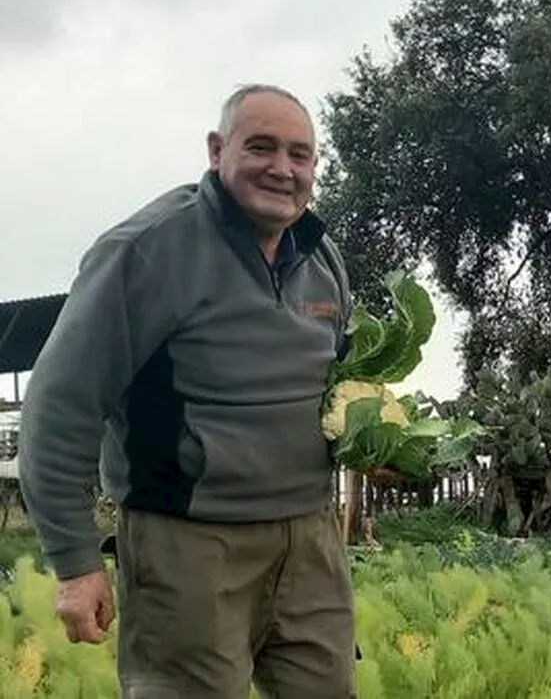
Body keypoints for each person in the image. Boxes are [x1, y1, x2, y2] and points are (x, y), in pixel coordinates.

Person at [18, 83, 357, 698]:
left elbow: (341, 387)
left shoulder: (322, 254)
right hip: (189, 543)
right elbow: (59, 405)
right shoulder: (149, 250)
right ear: (216, 150)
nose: (283, 169)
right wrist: (75, 564)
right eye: (261, 147)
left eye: (300, 155)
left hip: (309, 539)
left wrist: (377, 444)